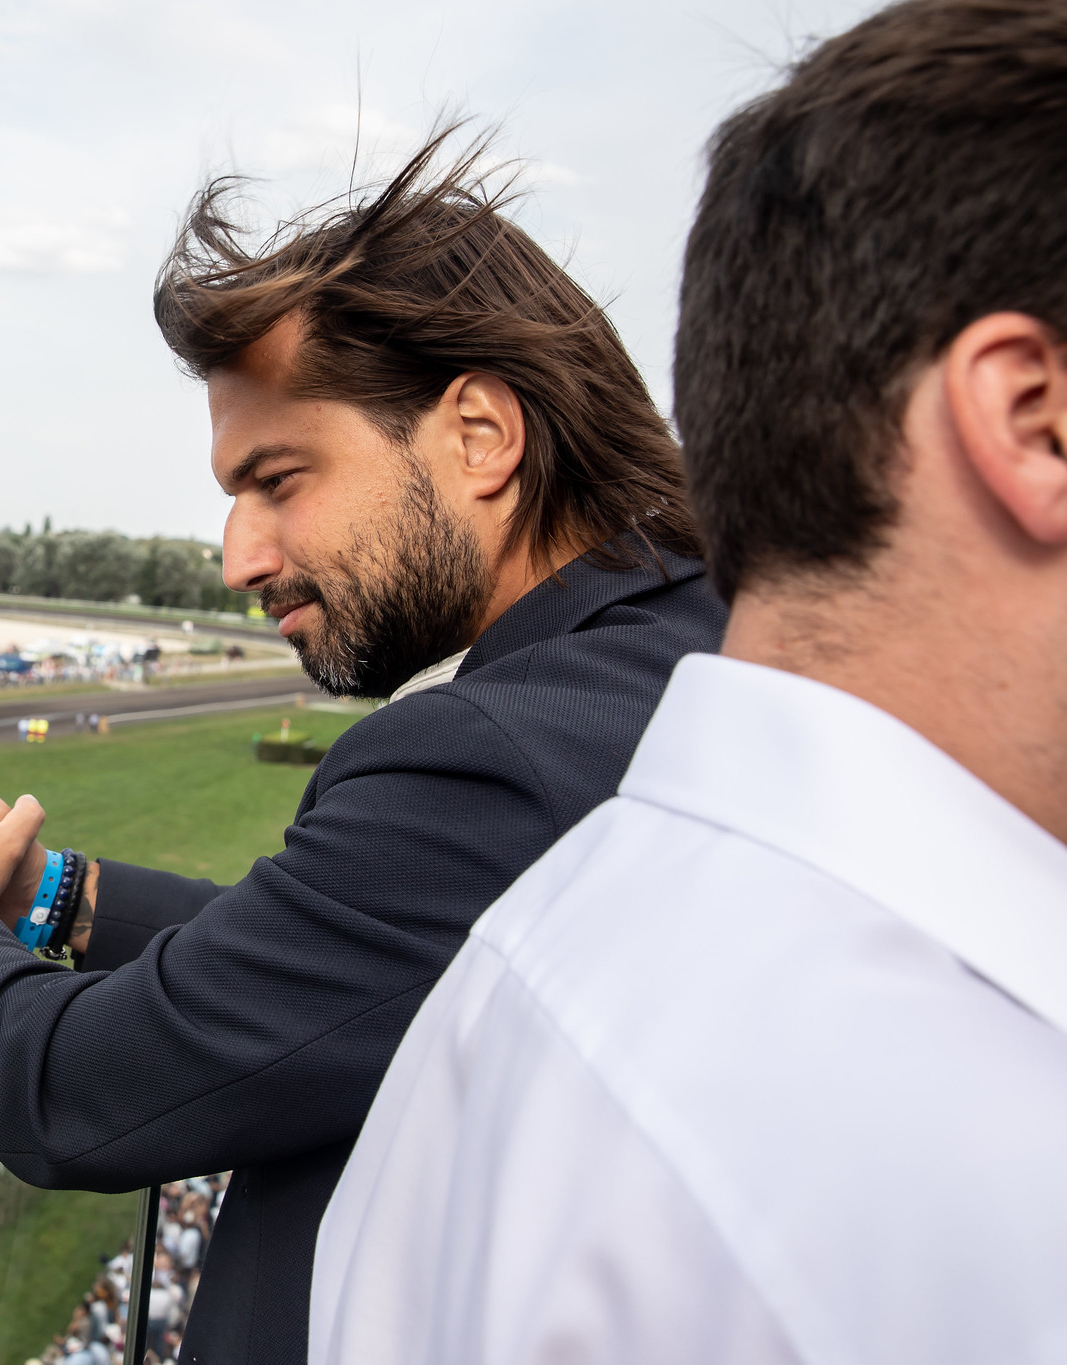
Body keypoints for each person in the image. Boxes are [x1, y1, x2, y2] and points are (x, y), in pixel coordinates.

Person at [0, 128, 725, 1362]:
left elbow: (72, 1088)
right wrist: (55, 891)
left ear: (478, 435)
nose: (238, 557)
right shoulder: (688, 644)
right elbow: (383, 952)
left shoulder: (487, 749)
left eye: (279, 478)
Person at [309, 3, 1067, 1360]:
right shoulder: (974, 1179)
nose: (245, 551)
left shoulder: (533, 950)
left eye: (274, 482)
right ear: (1033, 419)